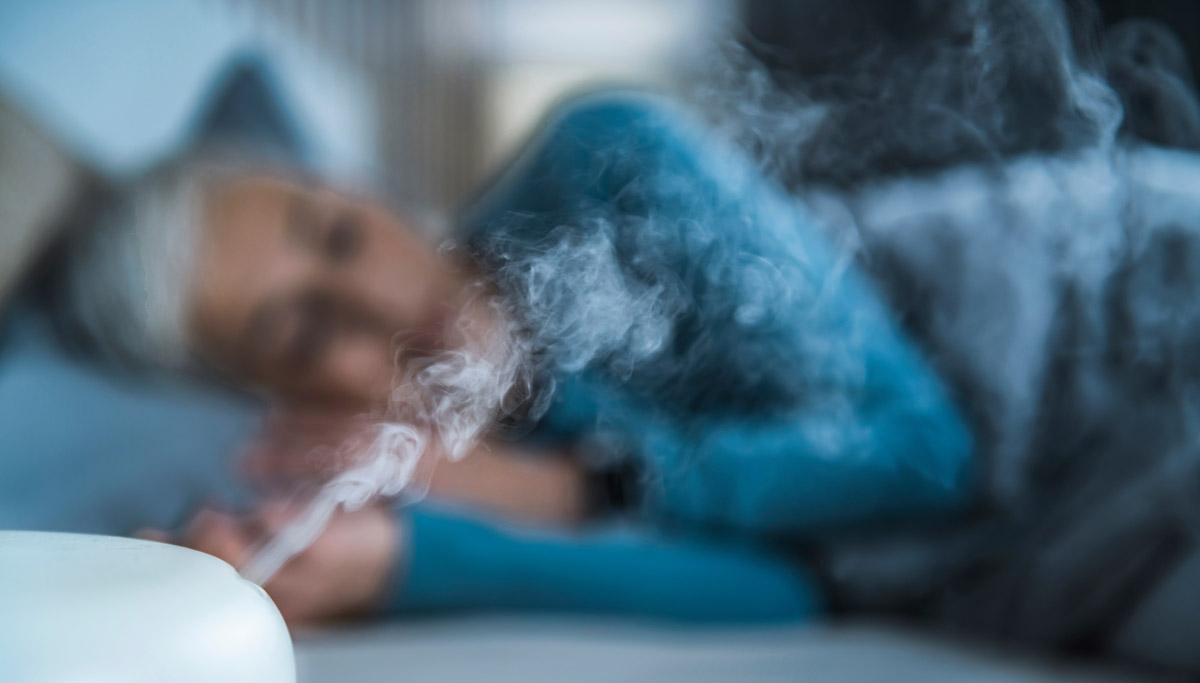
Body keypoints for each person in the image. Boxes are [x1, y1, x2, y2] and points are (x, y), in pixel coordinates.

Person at [58, 91, 975, 626]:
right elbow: (790, 594)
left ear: (359, 186)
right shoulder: (397, 474)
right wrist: (401, 563)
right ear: (268, 394)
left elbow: (926, 454)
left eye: (339, 235)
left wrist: (578, 488)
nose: (382, 299)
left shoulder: (611, 162)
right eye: (303, 330)